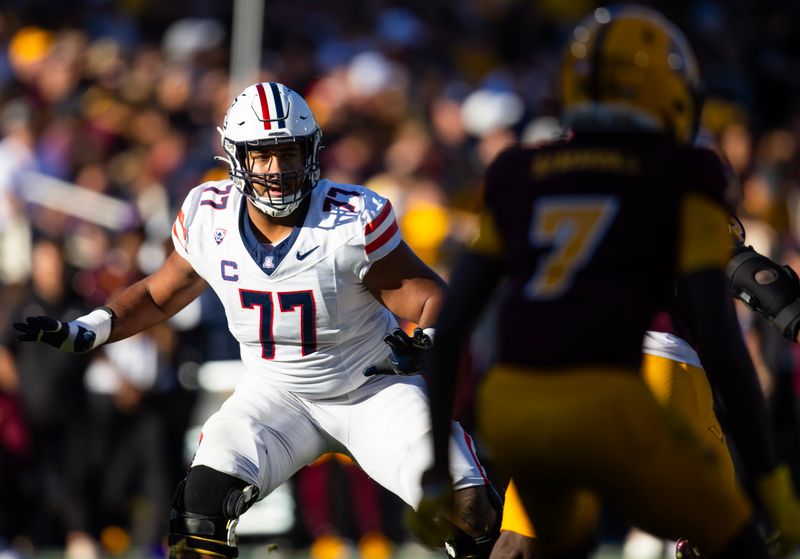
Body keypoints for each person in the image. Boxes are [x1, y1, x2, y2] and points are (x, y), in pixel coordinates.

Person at [14, 82, 501, 559]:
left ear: (310, 153)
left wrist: (429, 338)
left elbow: (427, 298)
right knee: (198, 511)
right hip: (277, 393)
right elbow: (160, 295)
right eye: (262, 155)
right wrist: (92, 328)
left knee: (468, 510)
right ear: (235, 158)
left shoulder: (351, 219)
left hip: (371, 387)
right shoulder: (210, 217)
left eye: (289, 153)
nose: (276, 169)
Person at [417, 6, 800, 559]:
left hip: (533, 390)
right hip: (654, 371)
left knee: (520, 546)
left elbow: (451, 329)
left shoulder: (519, 173)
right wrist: (770, 478)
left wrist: (435, 468)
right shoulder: (682, 175)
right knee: (722, 545)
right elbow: (733, 307)